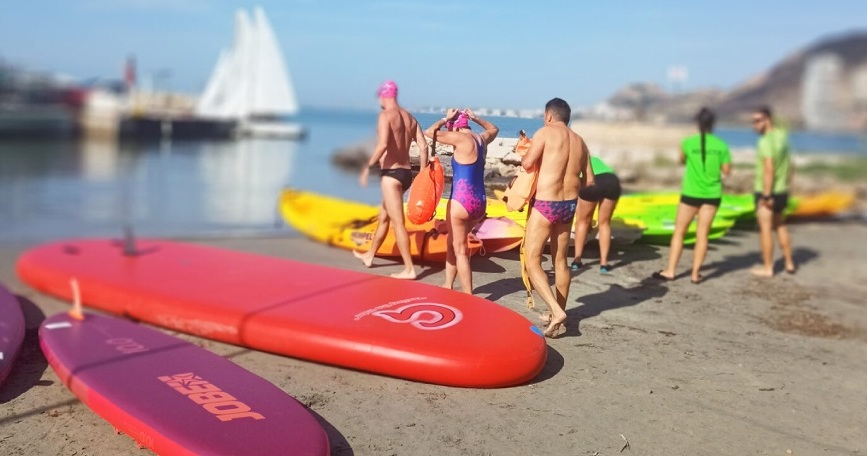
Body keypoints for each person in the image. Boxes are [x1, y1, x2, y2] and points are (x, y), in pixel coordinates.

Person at [522, 98, 590, 337]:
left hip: (545, 204)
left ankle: (556, 311)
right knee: (560, 262)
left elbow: (527, 163)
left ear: (549, 116)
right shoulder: (580, 142)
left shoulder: (544, 133)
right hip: (568, 206)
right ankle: (557, 316)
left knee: (532, 261)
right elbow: (589, 181)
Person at [354, 80, 429, 279]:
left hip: (391, 176)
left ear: (383, 96)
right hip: (406, 175)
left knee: (397, 223)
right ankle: (370, 255)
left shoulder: (385, 115)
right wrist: (422, 173)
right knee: (384, 217)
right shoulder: (410, 117)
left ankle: (409, 269)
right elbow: (423, 147)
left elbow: (383, 145)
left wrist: (367, 168)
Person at [651, 107, 731, 284]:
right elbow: (727, 171)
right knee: (703, 235)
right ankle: (695, 274)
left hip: (691, 193)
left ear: (697, 123)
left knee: (679, 232)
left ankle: (671, 271)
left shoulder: (687, 142)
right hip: (712, 194)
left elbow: (681, 161)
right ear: (713, 124)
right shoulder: (721, 145)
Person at [424, 109, 498, 293]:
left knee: (461, 250)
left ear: (455, 127)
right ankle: (448, 285)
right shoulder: (481, 139)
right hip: (479, 203)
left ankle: (468, 295)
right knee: (453, 242)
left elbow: (429, 132)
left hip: (461, 201)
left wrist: (445, 118)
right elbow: (494, 129)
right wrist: (476, 118)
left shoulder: (460, 138)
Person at [750, 106, 795, 277]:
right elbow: (790, 164)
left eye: (758, 120)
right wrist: (786, 184)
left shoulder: (765, 141)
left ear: (768, 119)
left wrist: (766, 195)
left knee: (766, 229)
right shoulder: (782, 137)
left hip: (767, 191)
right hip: (782, 190)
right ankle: (789, 263)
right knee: (780, 225)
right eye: (753, 121)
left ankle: (768, 268)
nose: (755, 125)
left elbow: (769, 169)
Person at [571, 155, 621, 273]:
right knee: (604, 223)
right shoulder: (593, 159)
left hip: (591, 181)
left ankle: (577, 261)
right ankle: (604, 264)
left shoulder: (573, 162)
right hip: (612, 181)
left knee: (581, 222)